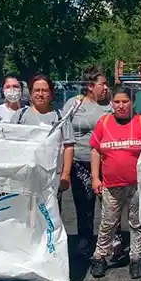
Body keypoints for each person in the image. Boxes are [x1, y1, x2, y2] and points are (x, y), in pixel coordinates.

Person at [89, 85, 141, 280]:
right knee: (108, 223)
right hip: (111, 186)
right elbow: (95, 151)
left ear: (132, 103)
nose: (120, 106)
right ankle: (100, 257)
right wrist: (95, 178)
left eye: (125, 102)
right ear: (111, 103)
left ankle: (136, 258)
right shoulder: (103, 123)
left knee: (136, 223)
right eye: (116, 102)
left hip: (137, 186)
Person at [62, 67, 111, 258]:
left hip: (104, 162)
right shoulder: (74, 104)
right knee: (84, 205)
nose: (106, 87)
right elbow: (62, 130)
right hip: (79, 162)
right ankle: (84, 240)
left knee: (108, 206)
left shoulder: (110, 106)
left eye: (106, 84)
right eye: (102, 84)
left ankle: (109, 242)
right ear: (90, 86)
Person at [13, 74, 75, 192]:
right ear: (30, 93)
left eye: (45, 90)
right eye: (37, 90)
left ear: (51, 94)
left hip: (52, 178)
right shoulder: (19, 116)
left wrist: (65, 175)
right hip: (24, 178)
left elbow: (69, 147)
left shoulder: (61, 117)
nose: (40, 94)